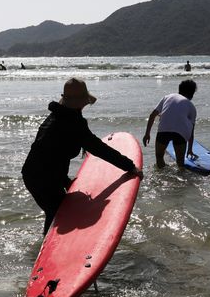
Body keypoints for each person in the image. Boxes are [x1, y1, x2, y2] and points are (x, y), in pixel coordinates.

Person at [21, 78, 143, 234]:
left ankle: (47, 247)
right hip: (42, 179)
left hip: (35, 174)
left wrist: (64, 181)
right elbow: (99, 148)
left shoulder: (56, 117)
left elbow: (52, 153)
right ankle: (49, 252)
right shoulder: (73, 123)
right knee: (57, 214)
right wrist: (130, 166)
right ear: (81, 102)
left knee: (57, 214)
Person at [142, 80, 198, 168]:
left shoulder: (167, 97)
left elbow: (152, 115)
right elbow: (191, 131)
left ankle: (162, 176)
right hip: (181, 133)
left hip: (164, 129)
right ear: (192, 93)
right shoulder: (191, 107)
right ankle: (181, 179)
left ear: (179, 90)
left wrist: (147, 134)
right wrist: (190, 149)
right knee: (180, 162)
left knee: (159, 157)